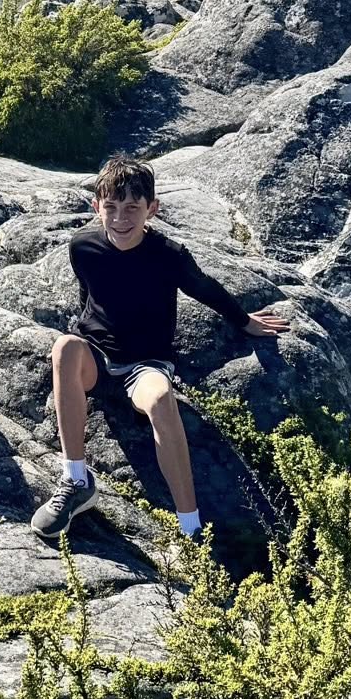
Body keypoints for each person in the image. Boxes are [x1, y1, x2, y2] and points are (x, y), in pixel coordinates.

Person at [31, 154, 288, 543]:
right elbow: (89, 298)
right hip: (96, 360)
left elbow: (205, 289)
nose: (121, 218)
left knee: (162, 397)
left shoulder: (169, 255)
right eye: (112, 208)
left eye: (132, 208)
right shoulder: (83, 247)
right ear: (96, 206)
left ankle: (191, 527)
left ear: (152, 209)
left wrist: (245, 320)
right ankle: (76, 480)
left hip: (145, 366)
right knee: (66, 347)